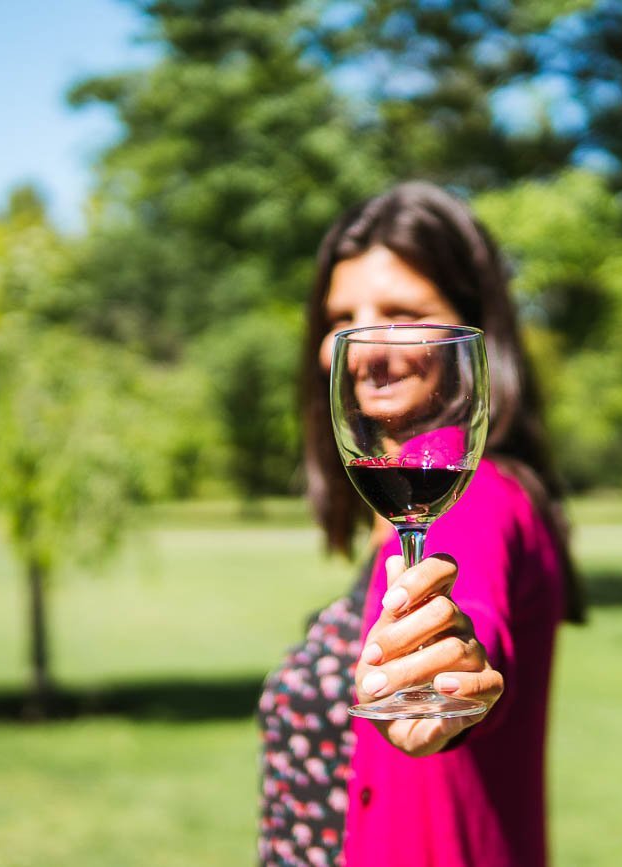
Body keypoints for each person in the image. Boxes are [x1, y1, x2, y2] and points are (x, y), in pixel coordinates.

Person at [257, 182, 584, 867]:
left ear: (474, 331)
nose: (365, 345)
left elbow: (474, 616)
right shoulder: (407, 492)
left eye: (402, 313)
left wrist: (451, 678)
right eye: (341, 316)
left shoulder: (477, 492)